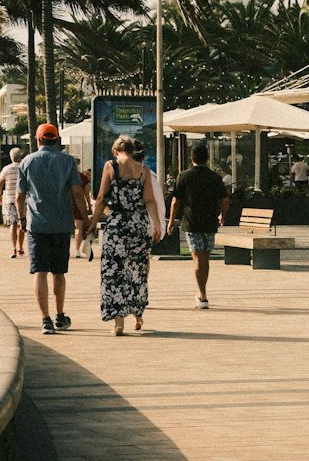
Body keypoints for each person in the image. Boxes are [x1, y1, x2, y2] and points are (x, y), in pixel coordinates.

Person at [16, 123, 89, 336]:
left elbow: (19, 196)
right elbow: (77, 193)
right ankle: (59, 315)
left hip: (37, 224)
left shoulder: (27, 162)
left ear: (38, 141)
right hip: (61, 224)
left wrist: (21, 219)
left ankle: (45, 319)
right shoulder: (67, 161)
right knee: (59, 272)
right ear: (56, 140)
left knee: (39, 271)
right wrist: (85, 220)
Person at [88, 136, 161, 336]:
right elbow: (149, 200)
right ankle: (138, 315)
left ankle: (118, 323)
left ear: (115, 151)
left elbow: (102, 197)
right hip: (138, 224)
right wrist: (157, 225)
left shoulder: (111, 166)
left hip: (118, 224)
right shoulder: (143, 171)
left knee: (114, 271)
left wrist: (94, 222)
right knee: (137, 269)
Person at [167, 143, 230, 310]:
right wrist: (222, 216)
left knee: (197, 258)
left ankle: (202, 294)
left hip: (191, 222)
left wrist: (171, 220)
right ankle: (203, 292)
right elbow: (225, 199)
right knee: (205, 258)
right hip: (209, 222)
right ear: (207, 159)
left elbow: (176, 201)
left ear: (192, 159)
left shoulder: (184, 176)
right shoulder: (215, 178)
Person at [0, 147, 25, 259]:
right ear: (20, 156)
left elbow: (0, 183)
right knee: (21, 223)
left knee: (12, 224)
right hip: (23, 200)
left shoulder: (6, 169)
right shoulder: (24, 167)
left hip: (10, 199)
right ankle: (20, 248)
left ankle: (13, 248)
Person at [71, 156, 93, 258]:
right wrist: (89, 206)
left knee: (65, 228)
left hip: (66, 203)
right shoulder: (83, 178)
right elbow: (86, 194)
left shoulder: (65, 176)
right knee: (78, 227)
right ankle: (77, 250)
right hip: (78, 204)